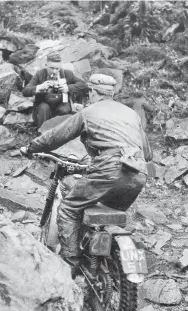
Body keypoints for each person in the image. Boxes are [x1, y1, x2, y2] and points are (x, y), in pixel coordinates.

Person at [20, 74, 152, 269]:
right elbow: (147, 153)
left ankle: (69, 266)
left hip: (109, 169)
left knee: (68, 210)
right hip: (138, 174)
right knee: (106, 214)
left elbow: (56, 137)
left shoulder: (89, 112)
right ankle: (102, 262)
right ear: (112, 93)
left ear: (92, 92)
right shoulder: (130, 113)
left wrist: (31, 148)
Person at [22, 53, 88, 128]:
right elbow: (25, 91)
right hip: (43, 108)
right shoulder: (40, 74)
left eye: (57, 68)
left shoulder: (67, 74)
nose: (55, 71)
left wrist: (68, 88)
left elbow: (83, 84)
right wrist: (39, 87)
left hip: (61, 105)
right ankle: (43, 134)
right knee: (44, 108)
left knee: (64, 109)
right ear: (46, 65)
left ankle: (62, 133)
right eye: (52, 68)